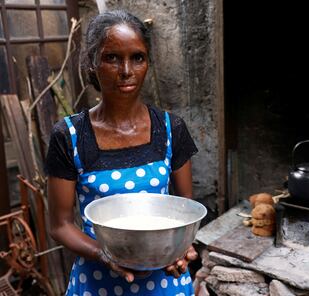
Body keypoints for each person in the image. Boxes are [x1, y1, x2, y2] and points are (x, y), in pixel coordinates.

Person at [46, 10, 199, 296]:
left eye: (137, 57)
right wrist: (104, 255)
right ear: (93, 63)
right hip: (97, 281)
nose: (126, 70)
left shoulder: (171, 129)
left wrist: (181, 248)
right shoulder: (69, 137)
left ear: (147, 63)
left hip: (165, 283)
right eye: (111, 58)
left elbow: (184, 209)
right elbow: (60, 224)